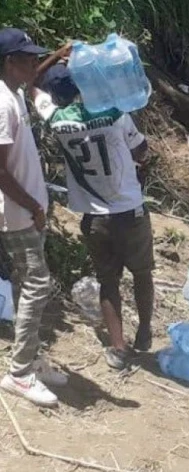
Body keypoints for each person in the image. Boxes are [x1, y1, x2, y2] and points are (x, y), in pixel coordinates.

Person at [34, 64, 153, 370]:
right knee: (142, 273)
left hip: (94, 218)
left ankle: (118, 347)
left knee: (108, 281)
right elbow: (141, 150)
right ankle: (143, 332)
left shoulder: (56, 119)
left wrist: (55, 55)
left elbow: (31, 84)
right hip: (130, 212)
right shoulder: (114, 113)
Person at [0, 28, 71, 407]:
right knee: (36, 286)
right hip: (18, 213)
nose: (35, 64)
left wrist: (57, 54)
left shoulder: (14, 92)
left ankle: (30, 358)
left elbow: (34, 79)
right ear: (10, 62)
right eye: (28, 59)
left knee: (25, 283)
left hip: (26, 210)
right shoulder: (1, 103)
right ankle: (20, 373)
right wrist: (34, 206)